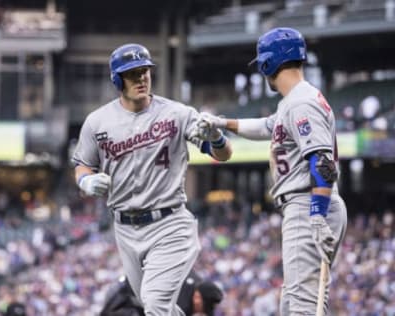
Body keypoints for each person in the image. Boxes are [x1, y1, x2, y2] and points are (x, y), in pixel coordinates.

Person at [194, 27, 347, 315]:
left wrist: (317, 214)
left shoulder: (301, 101)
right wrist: (222, 123)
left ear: (268, 62)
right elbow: (267, 126)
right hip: (305, 204)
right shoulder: (296, 100)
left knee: (302, 306)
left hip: (307, 203)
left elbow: (322, 162)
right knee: (293, 303)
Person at [71, 43, 231, 315]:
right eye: (133, 73)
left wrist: (216, 137)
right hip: (124, 228)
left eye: (145, 71)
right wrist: (85, 181)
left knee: (156, 304)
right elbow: (82, 165)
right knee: (157, 307)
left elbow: (224, 155)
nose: (142, 78)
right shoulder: (97, 122)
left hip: (168, 224)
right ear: (117, 79)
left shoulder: (177, 114)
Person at [100, 270, 224, 316]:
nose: (202, 312)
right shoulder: (181, 300)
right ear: (198, 297)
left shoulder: (198, 284)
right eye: (204, 307)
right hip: (124, 295)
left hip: (136, 300)